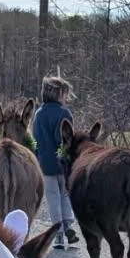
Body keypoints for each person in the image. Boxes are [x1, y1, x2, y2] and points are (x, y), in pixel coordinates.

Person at [31, 75, 79, 249]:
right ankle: (67, 225)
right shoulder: (64, 114)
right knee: (65, 194)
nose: (66, 98)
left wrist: (37, 157)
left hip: (45, 163)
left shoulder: (38, 114)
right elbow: (65, 140)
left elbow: (35, 140)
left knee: (52, 196)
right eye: (65, 94)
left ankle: (57, 232)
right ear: (59, 94)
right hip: (63, 164)